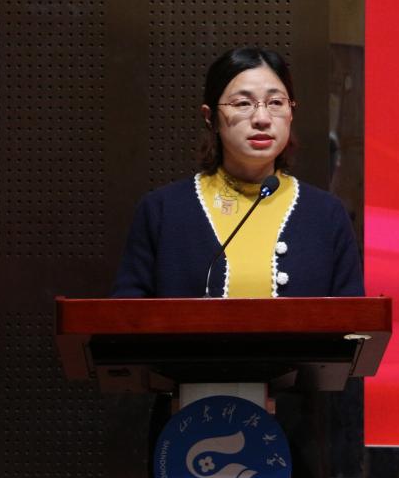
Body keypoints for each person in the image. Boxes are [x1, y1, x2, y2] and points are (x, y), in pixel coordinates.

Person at [112, 46, 364, 298]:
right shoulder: (163, 211)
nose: (262, 118)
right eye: (243, 103)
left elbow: (354, 317)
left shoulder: (326, 214)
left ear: (291, 113)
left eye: (276, 103)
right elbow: (126, 314)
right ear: (210, 117)